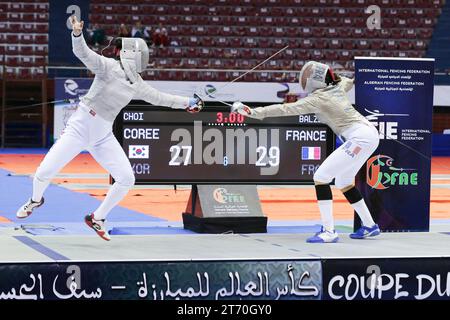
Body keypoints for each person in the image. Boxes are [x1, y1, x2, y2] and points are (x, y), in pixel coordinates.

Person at [15, 15, 203, 241]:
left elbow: (161, 98)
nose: (116, 51)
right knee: (43, 173)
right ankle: (36, 200)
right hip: (79, 127)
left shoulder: (137, 85)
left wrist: (188, 103)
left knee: (126, 178)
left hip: (102, 135)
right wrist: (76, 33)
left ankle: (97, 217)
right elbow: (82, 53)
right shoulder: (107, 67)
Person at [232, 61, 381, 243]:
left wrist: (252, 112)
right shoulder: (338, 86)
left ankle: (329, 231)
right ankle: (369, 225)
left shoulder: (317, 100)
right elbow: (349, 81)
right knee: (343, 181)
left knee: (321, 177)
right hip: (368, 135)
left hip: (360, 138)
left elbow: (285, 109)